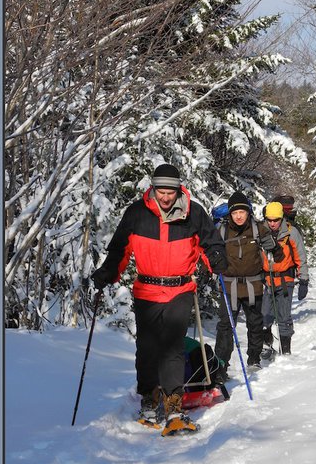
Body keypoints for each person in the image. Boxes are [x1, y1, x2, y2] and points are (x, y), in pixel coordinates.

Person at [91, 163, 228, 436]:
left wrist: (216, 258)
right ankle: (150, 399)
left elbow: (211, 242)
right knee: (148, 348)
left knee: (173, 348)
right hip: (147, 290)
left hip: (180, 289)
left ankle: (174, 407)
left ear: (178, 190)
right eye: (161, 191)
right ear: (153, 188)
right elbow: (120, 248)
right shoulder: (138, 213)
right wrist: (108, 272)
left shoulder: (193, 213)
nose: (166, 197)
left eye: (170, 191)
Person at [213, 191, 284, 380]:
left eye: (242, 212)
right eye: (235, 212)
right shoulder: (221, 231)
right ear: (229, 213)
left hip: (253, 286)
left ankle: (254, 359)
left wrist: (274, 249)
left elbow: (276, 251)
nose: (238, 216)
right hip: (229, 287)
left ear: (248, 212)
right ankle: (220, 367)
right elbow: (211, 251)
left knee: (255, 324)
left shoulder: (257, 229)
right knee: (225, 328)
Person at [261, 200, 309, 356]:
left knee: (283, 316)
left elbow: (300, 257)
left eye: (276, 220)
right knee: (264, 316)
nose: (273, 223)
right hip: (267, 280)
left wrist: (304, 280)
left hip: (285, 280)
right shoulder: (261, 232)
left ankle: (286, 350)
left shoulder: (291, 232)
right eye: (270, 220)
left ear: (281, 218)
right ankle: (267, 345)